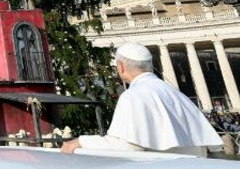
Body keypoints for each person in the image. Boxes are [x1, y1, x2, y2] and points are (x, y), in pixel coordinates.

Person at [61, 42, 223, 157]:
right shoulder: (175, 93)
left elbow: (127, 148)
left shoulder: (133, 96)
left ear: (121, 67)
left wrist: (80, 142)